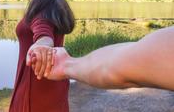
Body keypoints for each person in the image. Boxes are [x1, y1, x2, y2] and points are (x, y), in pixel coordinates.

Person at [9, 0, 75, 112]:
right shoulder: (53, 5)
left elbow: (43, 35)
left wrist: (42, 45)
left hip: (35, 91)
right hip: (54, 86)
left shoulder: (41, 9)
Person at [27, 26, 174, 91]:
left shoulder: (42, 6)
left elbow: (129, 65)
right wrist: (67, 64)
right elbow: (134, 54)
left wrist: (67, 64)